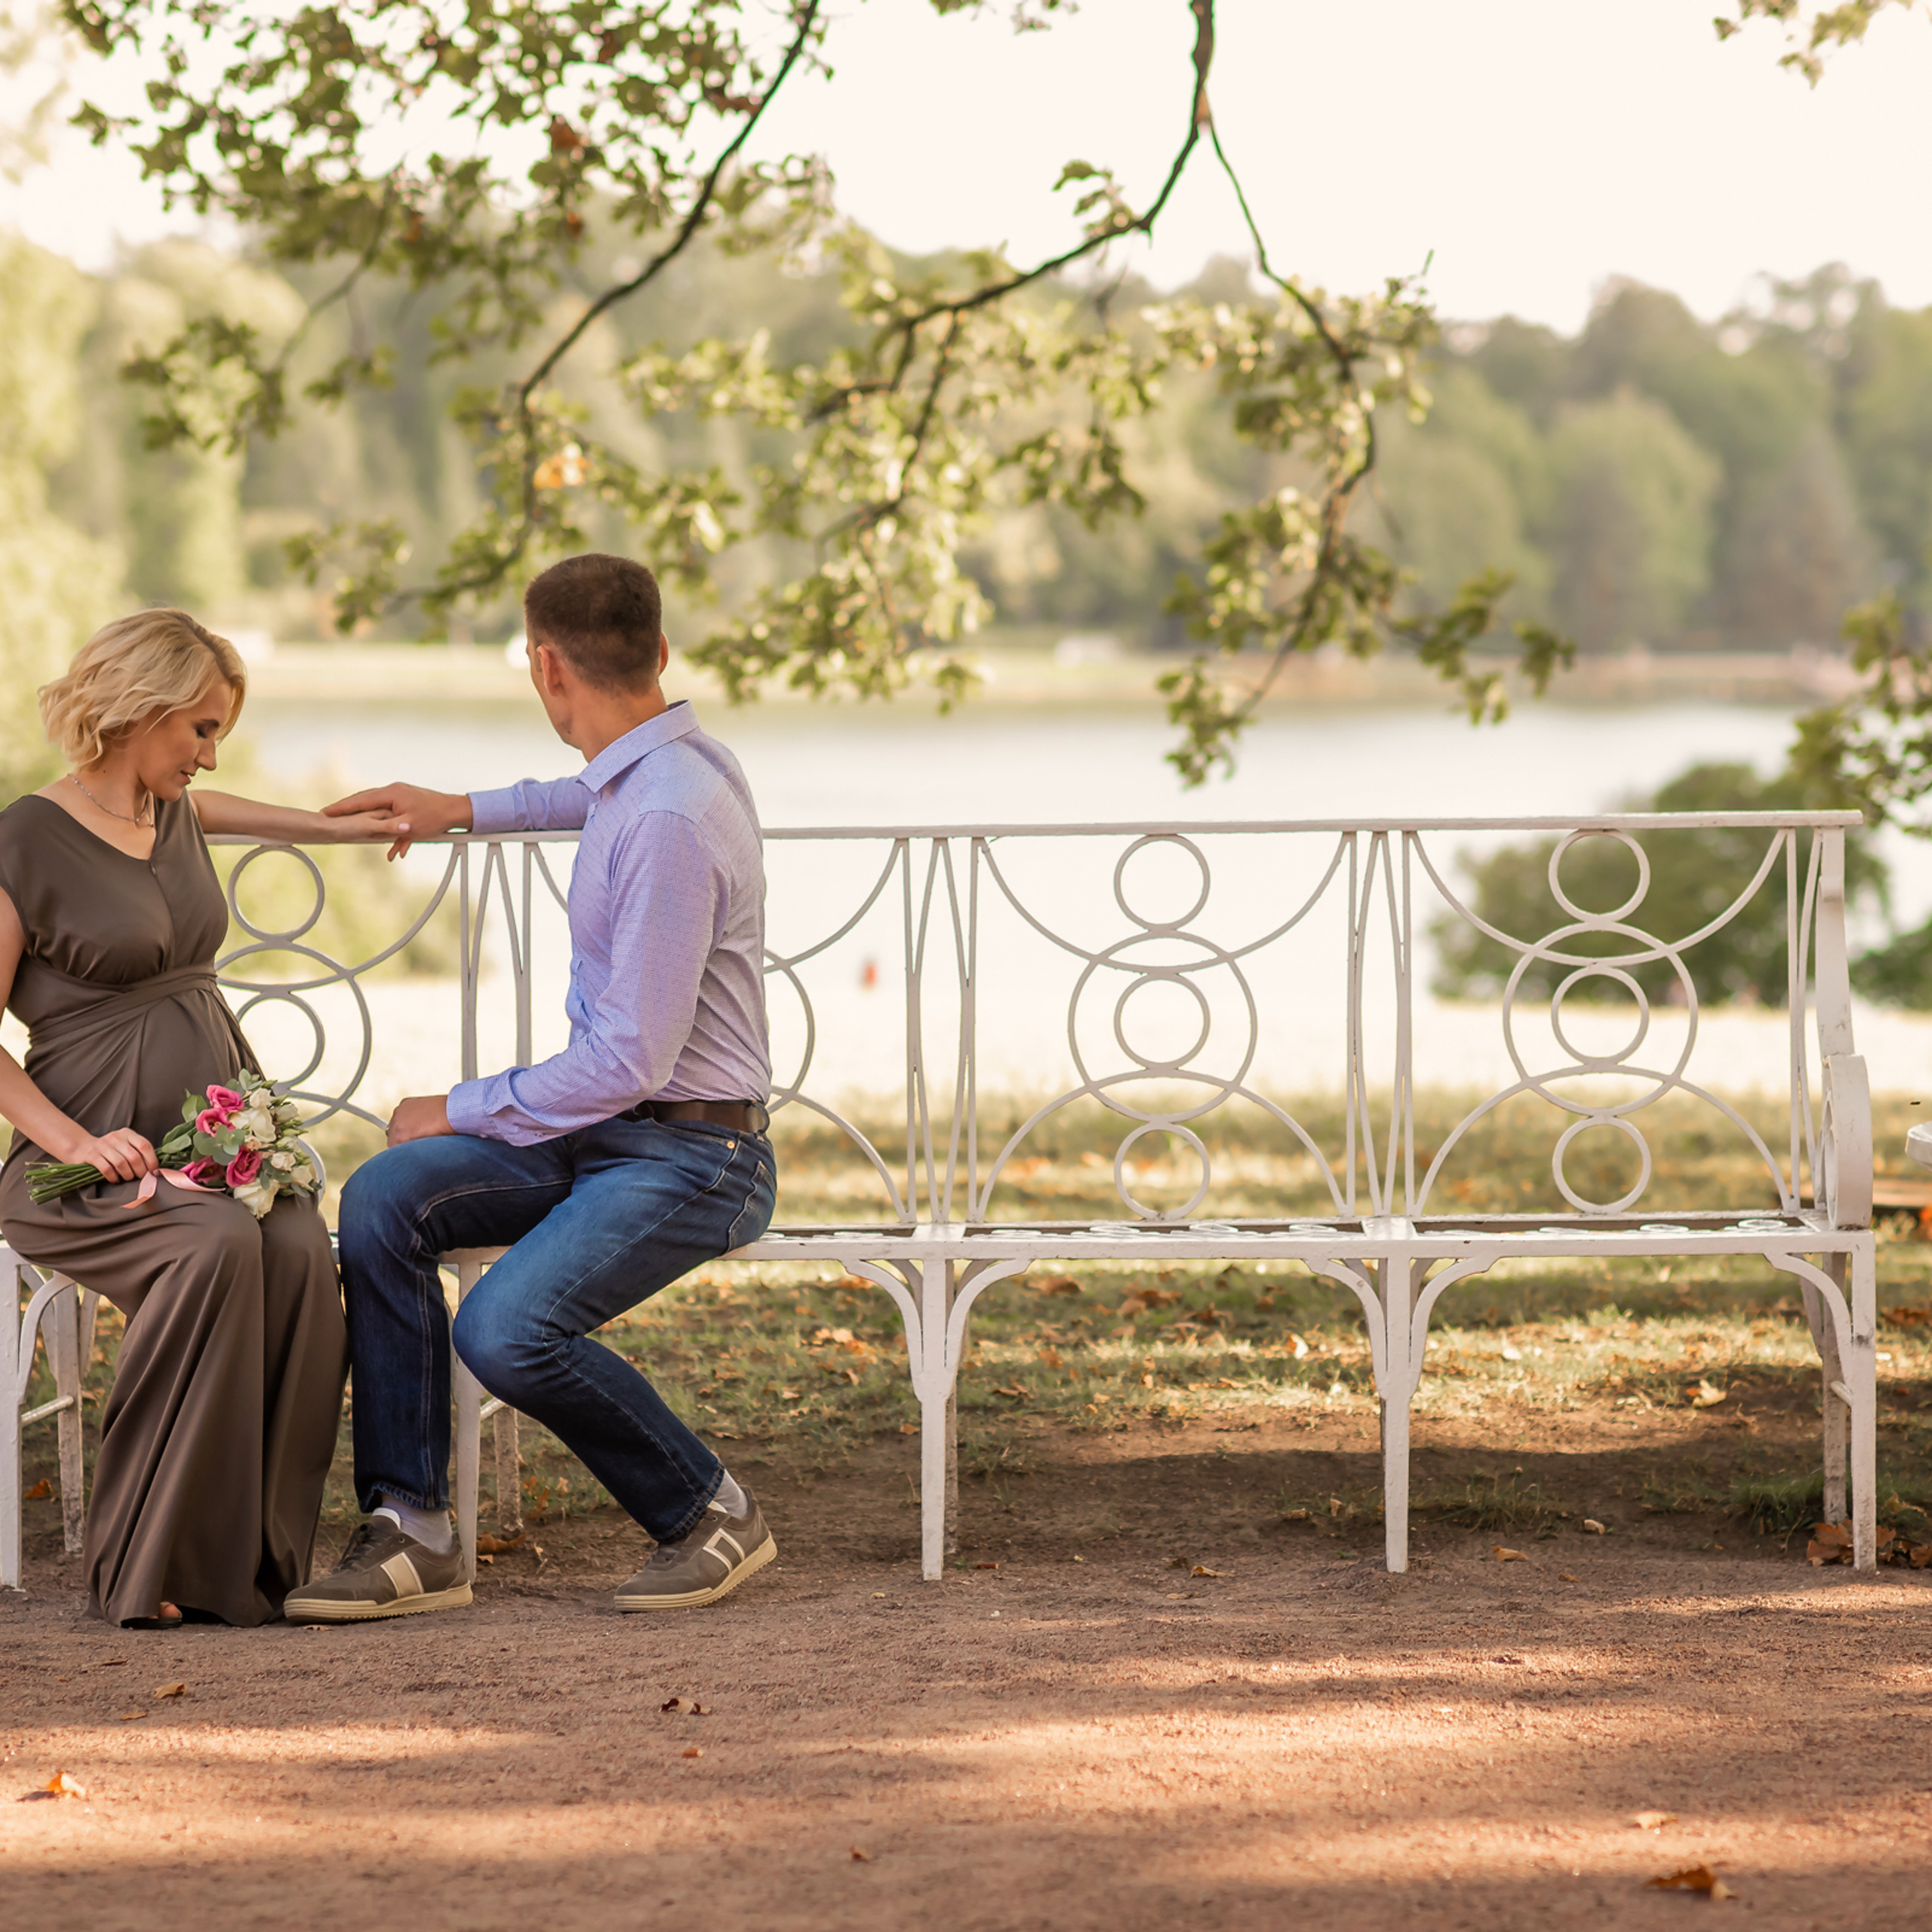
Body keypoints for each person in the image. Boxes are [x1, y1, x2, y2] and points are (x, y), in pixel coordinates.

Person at [288, 552, 776, 1623]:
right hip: (607, 1137)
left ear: (544, 667)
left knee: (505, 1329)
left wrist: (454, 1105)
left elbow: (630, 1062)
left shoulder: (667, 818)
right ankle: (413, 1528)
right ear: (657, 651)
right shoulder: (662, 769)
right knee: (388, 1196)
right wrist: (457, 806)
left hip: (698, 1155)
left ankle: (709, 1511)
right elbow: (577, 790)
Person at [0, 610, 405, 1627]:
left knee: (304, 1250)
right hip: (89, 1162)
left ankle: (256, 1566)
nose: (211, 752)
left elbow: (246, 813)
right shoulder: (26, 839)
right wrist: (77, 1145)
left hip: (214, 1140)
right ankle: (150, 1562)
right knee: (218, 1247)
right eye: (201, 728)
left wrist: (347, 829)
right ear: (139, 710)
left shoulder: (170, 810)